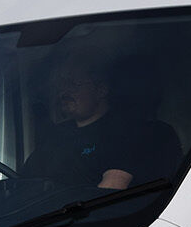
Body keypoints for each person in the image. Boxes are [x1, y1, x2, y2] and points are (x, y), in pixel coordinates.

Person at [24, 58, 180, 189]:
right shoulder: (55, 135)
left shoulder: (129, 132)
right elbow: (24, 183)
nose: (64, 92)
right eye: (61, 85)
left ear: (101, 90)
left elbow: (109, 192)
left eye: (73, 84)